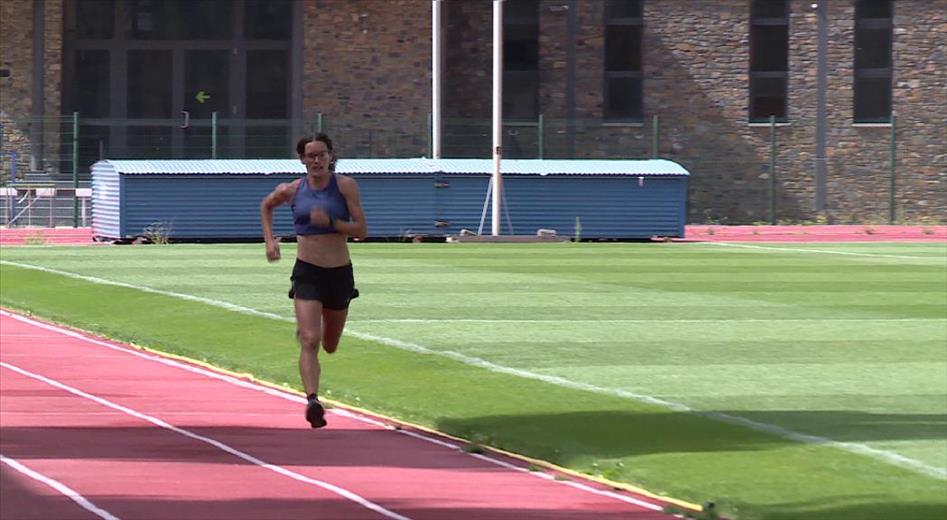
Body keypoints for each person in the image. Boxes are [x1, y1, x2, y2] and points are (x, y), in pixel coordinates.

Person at [260, 133, 367, 428]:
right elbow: (266, 206)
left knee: (329, 344)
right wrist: (270, 242)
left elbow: (361, 230)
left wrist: (332, 223)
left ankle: (315, 326)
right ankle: (312, 401)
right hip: (307, 270)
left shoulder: (345, 186)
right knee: (310, 339)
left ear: (330, 156)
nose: (316, 160)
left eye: (321, 155)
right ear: (302, 160)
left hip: (339, 272)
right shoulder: (292, 189)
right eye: (311, 156)